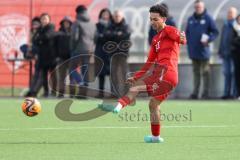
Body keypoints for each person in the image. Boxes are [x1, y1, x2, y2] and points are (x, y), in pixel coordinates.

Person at [99, 4, 186, 143]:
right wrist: (136, 76)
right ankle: (156, 137)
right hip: (165, 75)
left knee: (136, 88)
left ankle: (119, 105)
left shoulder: (169, 30)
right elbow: (149, 62)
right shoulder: (155, 39)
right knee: (153, 105)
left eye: (155, 19)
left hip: (166, 72)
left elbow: (180, 38)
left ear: (163, 19)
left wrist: (182, 38)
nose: (152, 22)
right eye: (151, 19)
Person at [186, 0, 219, 99]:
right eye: (196, 7)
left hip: (204, 51)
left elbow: (215, 32)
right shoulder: (190, 19)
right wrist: (187, 41)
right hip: (193, 50)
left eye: (199, 7)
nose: (198, 9)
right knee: (196, 72)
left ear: (203, 7)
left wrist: (208, 39)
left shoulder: (208, 18)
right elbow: (187, 33)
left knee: (205, 72)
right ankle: (195, 93)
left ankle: (205, 93)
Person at [69, 5, 96, 99]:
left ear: (77, 12)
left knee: (72, 68)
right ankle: (84, 94)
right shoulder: (92, 24)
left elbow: (74, 37)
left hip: (78, 50)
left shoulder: (77, 22)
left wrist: (72, 48)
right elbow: (96, 37)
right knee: (85, 71)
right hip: (89, 50)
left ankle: (80, 82)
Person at [32, 13, 57, 97]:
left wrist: (39, 39)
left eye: (45, 19)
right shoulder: (39, 29)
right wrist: (39, 39)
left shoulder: (51, 27)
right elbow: (34, 40)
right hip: (42, 56)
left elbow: (47, 36)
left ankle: (54, 92)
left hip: (51, 56)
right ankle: (46, 92)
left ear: (49, 20)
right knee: (43, 76)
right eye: (42, 19)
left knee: (53, 75)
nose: (44, 20)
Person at [109, 10, 131, 97]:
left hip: (123, 54)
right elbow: (107, 36)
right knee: (113, 74)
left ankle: (127, 93)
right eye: (115, 16)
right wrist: (117, 34)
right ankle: (114, 93)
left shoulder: (126, 26)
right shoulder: (110, 26)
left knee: (125, 73)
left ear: (122, 17)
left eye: (118, 16)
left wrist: (114, 35)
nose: (116, 18)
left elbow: (126, 36)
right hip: (113, 54)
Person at [218, 7, 238, 99]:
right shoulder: (225, 25)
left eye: (231, 13)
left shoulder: (237, 25)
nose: (229, 14)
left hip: (234, 54)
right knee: (227, 73)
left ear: (235, 14)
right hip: (225, 53)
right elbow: (222, 39)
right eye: (228, 12)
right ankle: (226, 93)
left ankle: (234, 93)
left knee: (234, 73)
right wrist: (220, 51)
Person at [94, 8, 113, 98]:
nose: (105, 15)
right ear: (100, 15)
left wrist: (104, 36)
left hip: (110, 52)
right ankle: (100, 92)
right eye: (103, 13)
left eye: (107, 14)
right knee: (101, 73)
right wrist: (106, 36)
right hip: (99, 52)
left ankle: (112, 92)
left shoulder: (112, 25)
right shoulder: (97, 25)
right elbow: (96, 37)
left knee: (111, 73)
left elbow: (112, 37)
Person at [55, 16, 72, 98]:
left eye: (68, 22)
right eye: (64, 22)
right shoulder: (58, 33)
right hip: (61, 58)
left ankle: (72, 94)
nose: (66, 24)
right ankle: (61, 93)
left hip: (72, 58)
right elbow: (55, 46)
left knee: (73, 77)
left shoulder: (73, 33)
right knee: (61, 77)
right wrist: (57, 56)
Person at [231, 15, 240, 100]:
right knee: (237, 74)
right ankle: (238, 93)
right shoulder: (233, 28)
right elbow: (232, 40)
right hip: (236, 54)